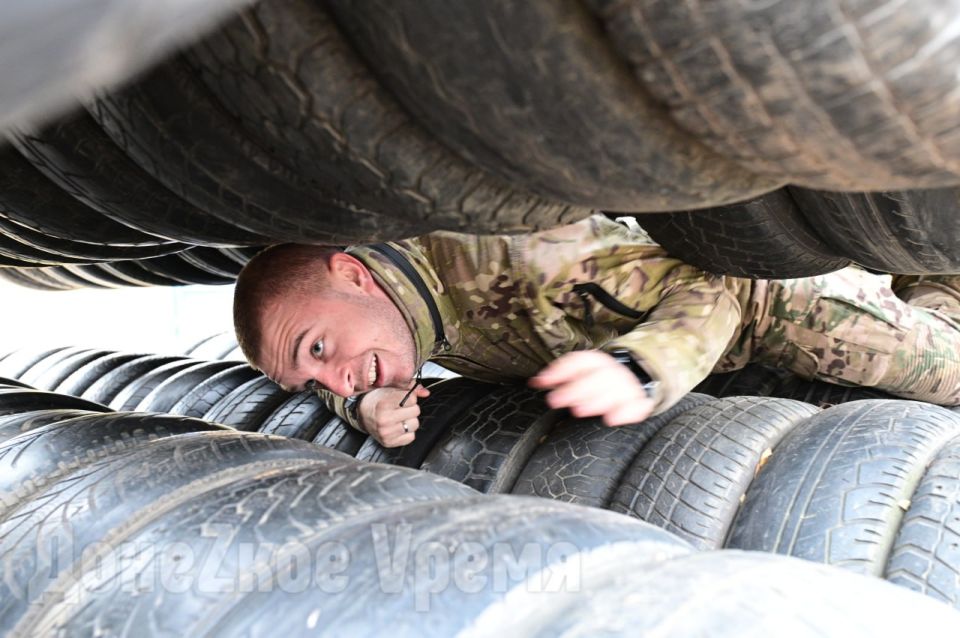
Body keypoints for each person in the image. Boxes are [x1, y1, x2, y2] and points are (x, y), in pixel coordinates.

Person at [233, 215, 960, 448]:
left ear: (355, 276)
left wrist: (639, 369)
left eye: (320, 352)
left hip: (767, 300)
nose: (332, 376)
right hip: (694, 337)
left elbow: (710, 290)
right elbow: (329, 374)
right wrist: (357, 404)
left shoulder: (520, 255)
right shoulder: (389, 327)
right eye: (308, 381)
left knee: (949, 370)